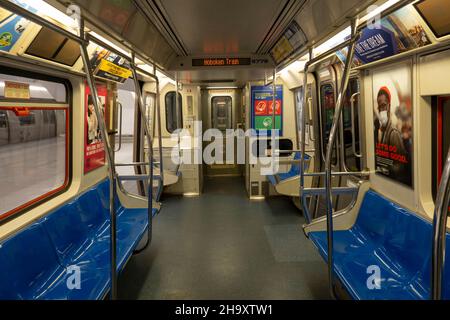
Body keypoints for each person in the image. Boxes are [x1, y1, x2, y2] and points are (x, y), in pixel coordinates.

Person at [375, 86, 411, 185]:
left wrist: (385, 166)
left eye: (384, 105)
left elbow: (400, 168)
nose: (381, 109)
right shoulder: (382, 131)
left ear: (389, 106)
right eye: (379, 107)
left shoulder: (393, 133)